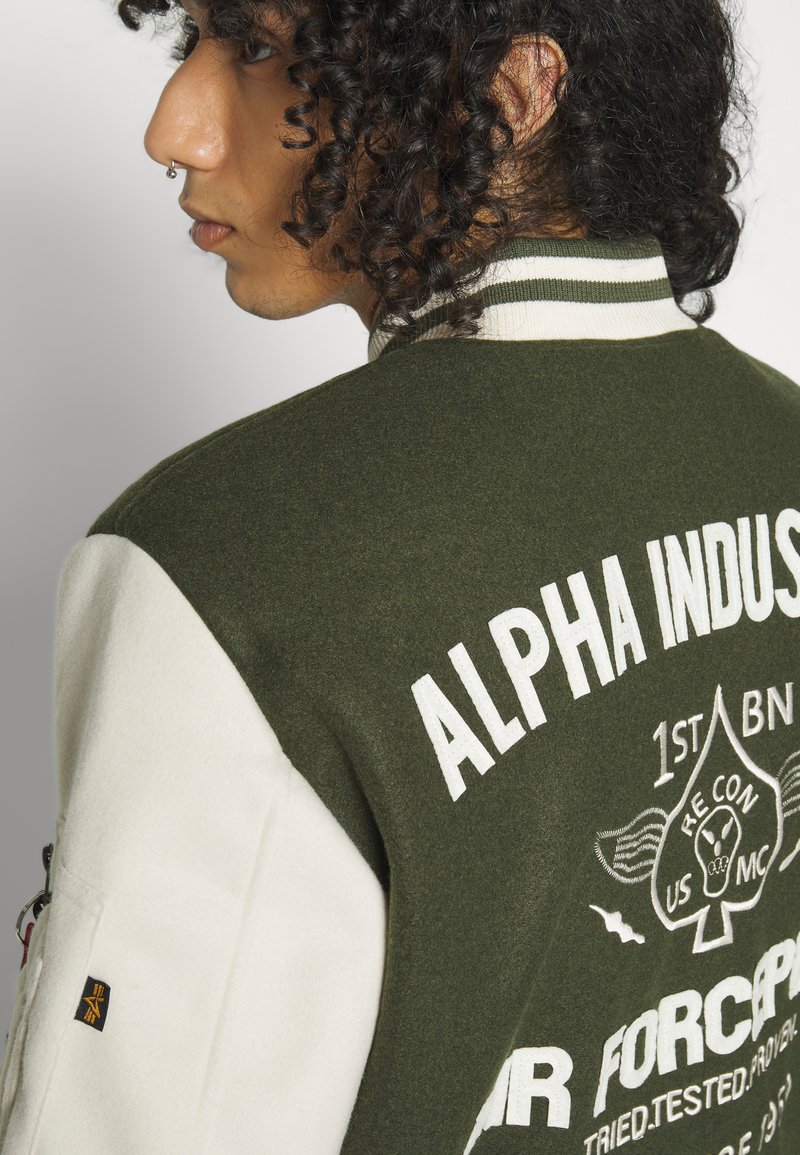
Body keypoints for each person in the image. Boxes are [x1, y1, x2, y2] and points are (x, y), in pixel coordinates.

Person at [1, 0, 798, 1152]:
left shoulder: (221, 562)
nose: (173, 129)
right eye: (194, 45)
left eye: (264, 50)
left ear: (511, 94)